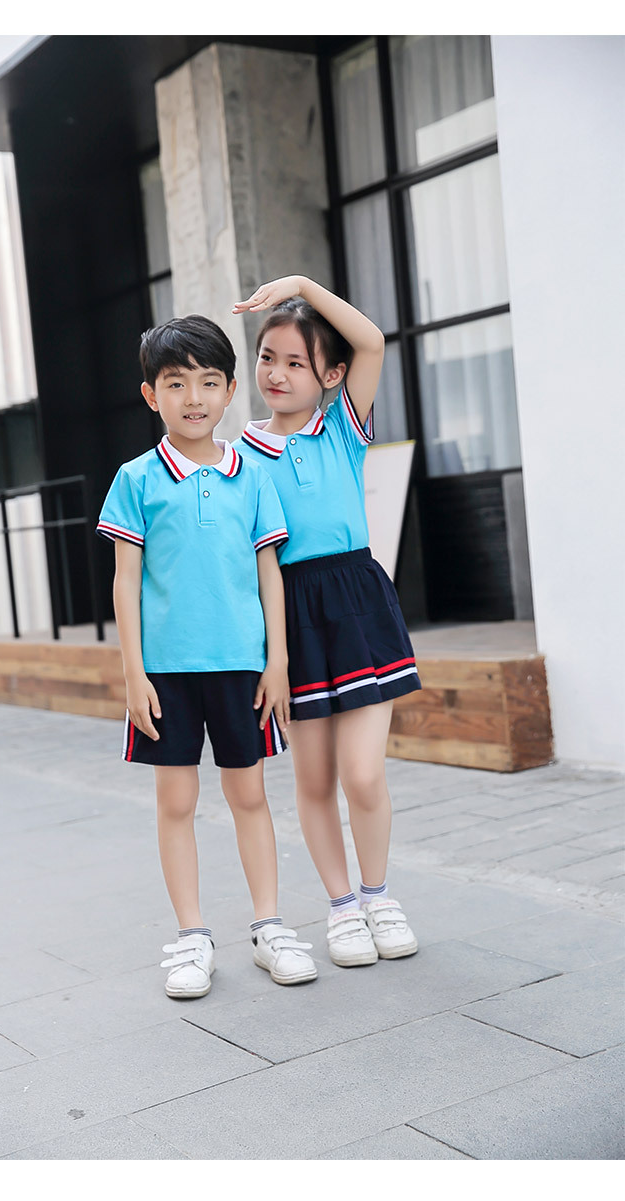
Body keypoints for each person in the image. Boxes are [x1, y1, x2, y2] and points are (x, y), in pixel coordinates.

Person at [97, 314, 317, 999]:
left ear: (228, 392)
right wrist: (133, 672)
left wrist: (278, 660)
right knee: (176, 802)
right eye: (175, 383)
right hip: (165, 672)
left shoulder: (252, 477)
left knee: (249, 794)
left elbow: (270, 574)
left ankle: (270, 926)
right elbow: (126, 581)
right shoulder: (136, 479)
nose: (193, 397)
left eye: (209, 381)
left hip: (242, 667)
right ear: (150, 395)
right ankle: (192, 936)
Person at [232, 276, 421, 970]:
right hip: (291, 618)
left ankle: (378, 896)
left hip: (357, 605)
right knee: (313, 781)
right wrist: (268, 654)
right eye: (267, 358)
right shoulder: (240, 454)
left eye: (295, 362)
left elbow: (371, 340)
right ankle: (341, 907)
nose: (276, 374)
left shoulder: (342, 427)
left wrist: (302, 287)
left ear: (331, 375)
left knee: (363, 774)